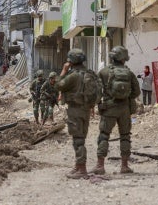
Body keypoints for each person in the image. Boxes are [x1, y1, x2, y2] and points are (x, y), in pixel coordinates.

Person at [90, 46, 140, 175]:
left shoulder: (103, 72)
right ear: (124, 59)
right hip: (124, 109)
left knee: (104, 135)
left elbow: (96, 92)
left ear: (112, 57)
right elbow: (136, 92)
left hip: (109, 109)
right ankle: (124, 166)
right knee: (125, 136)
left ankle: (100, 166)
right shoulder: (129, 73)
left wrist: (98, 103)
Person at [55, 49, 91, 179]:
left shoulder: (73, 75)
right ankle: (78, 166)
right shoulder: (89, 73)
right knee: (81, 138)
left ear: (71, 61)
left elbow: (59, 85)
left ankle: (82, 169)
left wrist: (64, 70)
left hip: (75, 109)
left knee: (78, 139)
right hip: (86, 109)